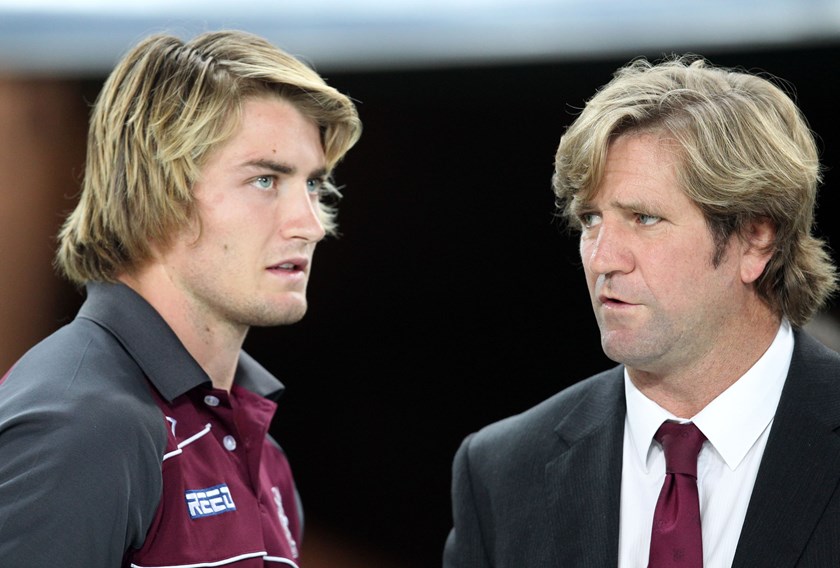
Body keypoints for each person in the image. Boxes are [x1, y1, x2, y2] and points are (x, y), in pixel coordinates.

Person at [444, 54, 840, 567]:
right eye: (590, 219)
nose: (602, 258)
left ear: (755, 239)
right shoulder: (502, 471)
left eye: (644, 218)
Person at [0, 30, 361, 567]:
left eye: (313, 185)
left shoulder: (251, 441)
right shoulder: (81, 425)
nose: (310, 225)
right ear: (158, 194)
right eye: (265, 180)